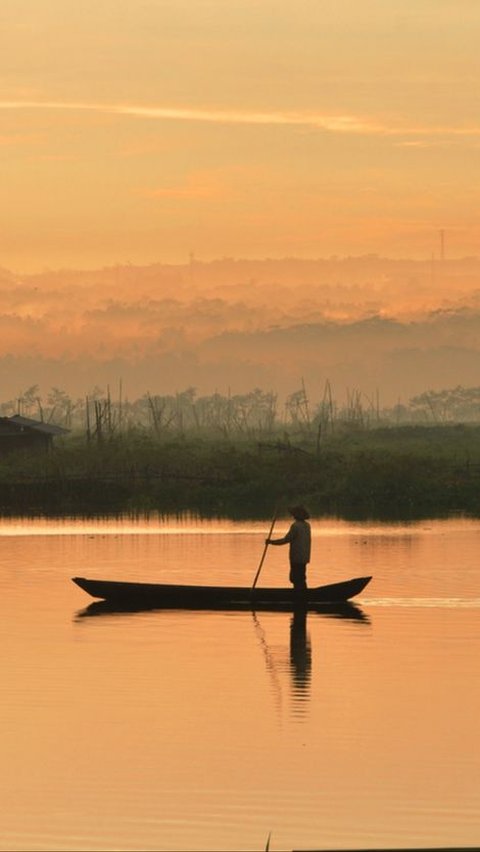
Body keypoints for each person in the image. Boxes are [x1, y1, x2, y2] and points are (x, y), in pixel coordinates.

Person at [265, 505, 311, 590]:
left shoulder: (295, 526)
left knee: (295, 578)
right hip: (304, 557)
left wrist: (271, 542)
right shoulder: (307, 526)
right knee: (301, 578)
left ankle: (300, 596)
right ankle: (302, 595)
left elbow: (285, 540)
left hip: (296, 557)